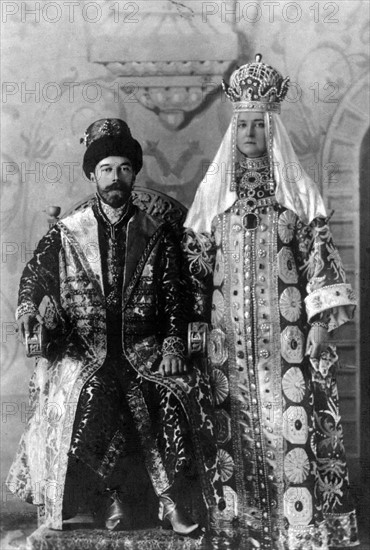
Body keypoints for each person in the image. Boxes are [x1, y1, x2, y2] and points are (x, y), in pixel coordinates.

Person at [6, 118, 224, 534]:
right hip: (85, 349)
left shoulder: (156, 232)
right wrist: (29, 311)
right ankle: (111, 497)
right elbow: (36, 276)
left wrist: (175, 346)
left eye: (124, 168)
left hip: (145, 348)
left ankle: (171, 502)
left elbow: (175, 291)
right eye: (106, 169)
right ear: (92, 175)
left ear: (134, 173)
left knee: (166, 395)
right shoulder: (68, 233)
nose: (115, 177)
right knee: (93, 395)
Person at [183, 55, 359, 549]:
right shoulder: (213, 201)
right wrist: (195, 322)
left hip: (287, 342)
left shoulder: (297, 198)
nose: (251, 133)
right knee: (229, 432)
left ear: (273, 131)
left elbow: (320, 264)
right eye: (243, 124)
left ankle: (296, 530)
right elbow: (193, 270)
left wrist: (320, 322)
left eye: (261, 125)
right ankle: (237, 529)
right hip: (227, 343)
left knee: (290, 429)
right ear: (233, 130)